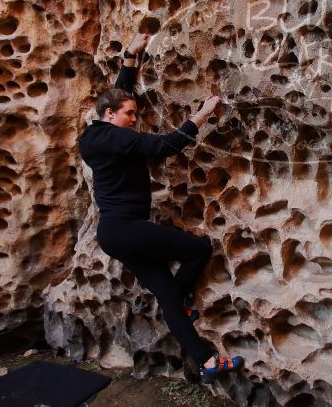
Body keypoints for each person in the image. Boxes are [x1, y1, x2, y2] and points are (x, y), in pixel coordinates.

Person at [78, 33, 243, 384]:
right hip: (126, 228)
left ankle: (205, 362)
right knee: (198, 249)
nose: (135, 119)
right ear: (110, 116)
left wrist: (130, 56)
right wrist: (201, 115)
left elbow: (120, 95)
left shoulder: (96, 132)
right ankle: (182, 307)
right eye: (131, 115)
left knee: (167, 294)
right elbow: (168, 145)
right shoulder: (120, 138)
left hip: (116, 232)